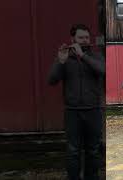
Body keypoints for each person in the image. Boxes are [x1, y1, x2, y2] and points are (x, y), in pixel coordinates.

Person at [48, 24, 104, 180]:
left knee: (93, 150)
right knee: (73, 151)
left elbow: (103, 71)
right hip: (72, 112)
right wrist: (60, 61)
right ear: (73, 39)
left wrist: (83, 56)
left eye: (87, 37)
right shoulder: (65, 58)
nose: (85, 40)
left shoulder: (95, 56)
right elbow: (52, 80)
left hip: (93, 110)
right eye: (81, 37)